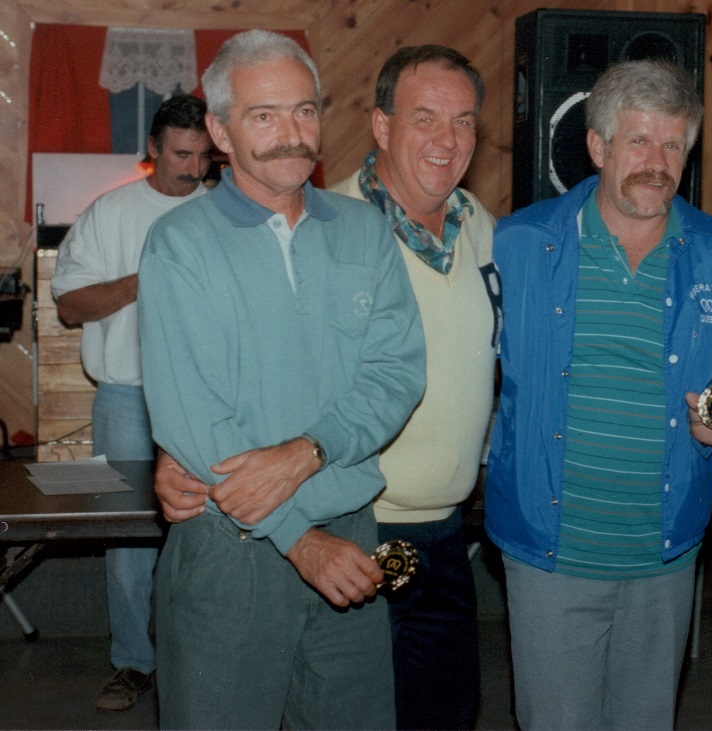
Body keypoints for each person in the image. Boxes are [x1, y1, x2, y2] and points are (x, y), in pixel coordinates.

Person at [155, 43, 498, 731]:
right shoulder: (180, 241)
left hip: (355, 537)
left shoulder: (364, 233)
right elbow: (193, 415)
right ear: (220, 132)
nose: (290, 132)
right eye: (263, 115)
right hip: (235, 547)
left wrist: (309, 450)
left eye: (304, 110)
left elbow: (398, 371)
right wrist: (299, 538)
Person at [484, 59, 712, 730]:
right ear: (598, 147)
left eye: (672, 145)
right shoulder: (520, 243)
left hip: (663, 552)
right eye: (638, 141)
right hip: (550, 548)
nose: (657, 161)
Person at [328, 45, 498, 730]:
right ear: (381, 124)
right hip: (356, 532)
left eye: (462, 122)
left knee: (445, 716)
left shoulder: (480, 225)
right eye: (425, 118)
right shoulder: (327, 231)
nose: (447, 140)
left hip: (450, 534)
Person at [50, 93, 213, 712]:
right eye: (180, 154)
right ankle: (132, 665)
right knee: (129, 541)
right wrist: (142, 282)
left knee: (207, 536)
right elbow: (68, 307)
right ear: (151, 149)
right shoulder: (110, 213)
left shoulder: (227, 211)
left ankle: (194, 661)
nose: (193, 169)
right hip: (127, 397)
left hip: (209, 399)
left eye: (203, 156)